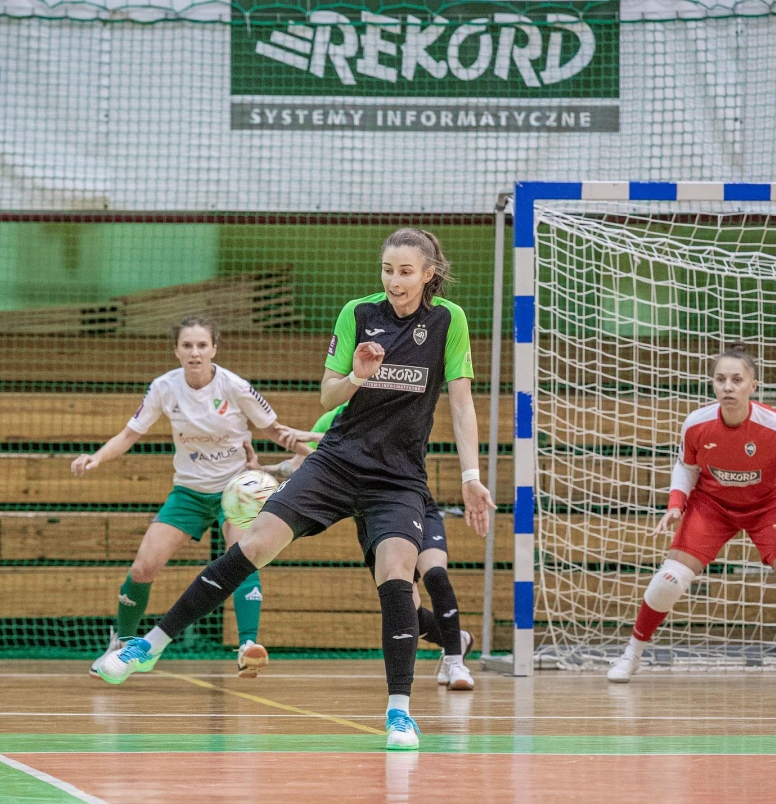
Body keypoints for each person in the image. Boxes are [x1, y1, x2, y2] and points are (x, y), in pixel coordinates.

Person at [99, 228, 494, 750]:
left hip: (398, 477)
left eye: (405, 271)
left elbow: (461, 403)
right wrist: (357, 375)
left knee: (397, 571)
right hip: (336, 462)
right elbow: (328, 394)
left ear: (428, 273)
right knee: (254, 543)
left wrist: (471, 477)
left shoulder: (448, 321)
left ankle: (399, 712)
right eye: (387, 270)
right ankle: (150, 645)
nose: (394, 281)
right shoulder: (358, 314)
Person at [606, 349, 776, 686]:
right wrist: (675, 504)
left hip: (769, 507)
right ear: (713, 384)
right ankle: (632, 655)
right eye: (721, 379)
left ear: (753, 385)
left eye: (737, 379)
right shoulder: (696, 424)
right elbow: (686, 467)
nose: (728, 386)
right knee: (669, 578)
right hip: (712, 506)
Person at [73, 316, 308, 679]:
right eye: (187, 346)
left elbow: (276, 431)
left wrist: (311, 453)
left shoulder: (236, 387)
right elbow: (129, 434)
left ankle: (247, 646)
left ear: (214, 349)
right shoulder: (164, 388)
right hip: (188, 492)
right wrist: (96, 457)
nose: (195, 352)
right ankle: (122, 644)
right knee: (143, 567)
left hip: (235, 490)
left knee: (245, 555)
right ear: (176, 351)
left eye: (202, 345)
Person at [266, 404, 475, 690]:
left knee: (436, 575)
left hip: (410, 502)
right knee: (407, 610)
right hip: (375, 520)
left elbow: (371, 448)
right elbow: (302, 464)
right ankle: (456, 640)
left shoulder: (394, 403)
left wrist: (309, 437)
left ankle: (455, 662)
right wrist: (261, 469)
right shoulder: (331, 417)